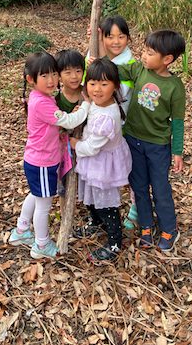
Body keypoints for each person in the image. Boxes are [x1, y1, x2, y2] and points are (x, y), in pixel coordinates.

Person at [9, 51, 90, 259]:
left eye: (54, 74)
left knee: (36, 195)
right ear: (31, 79)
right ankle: (41, 244)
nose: (51, 80)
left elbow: (60, 123)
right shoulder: (42, 103)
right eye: (44, 76)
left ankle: (21, 230)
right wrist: (86, 106)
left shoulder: (41, 97)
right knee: (44, 205)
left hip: (36, 159)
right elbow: (69, 122)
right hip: (43, 162)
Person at [118, 29, 186, 251]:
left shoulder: (174, 87)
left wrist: (177, 152)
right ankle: (146, 225)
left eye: (149, 53)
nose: (143, 56)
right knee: (138, 186)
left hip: (157, 146)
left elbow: (177, 122)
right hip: (133, 140)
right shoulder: (139, 69)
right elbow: (115, 71)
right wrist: (95, 60)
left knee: (159, 188)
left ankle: (169, 228)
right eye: (144, 51)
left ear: (167, 59)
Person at [70, 59, 132, 262]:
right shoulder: (96, 103)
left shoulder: (108, 116)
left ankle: (115, 241)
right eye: (92, 83)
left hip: (103, 163)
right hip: (95, 160)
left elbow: (91, 147)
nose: (97, 89)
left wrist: (75, 144)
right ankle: (96, 222)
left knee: (106, 203)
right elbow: (88, 109)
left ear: (115, 86)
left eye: (104, 84)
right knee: (92, 194)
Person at [89, 15, 138, 229]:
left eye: (121, 36)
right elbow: (89, 83)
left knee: (132, 169)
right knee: (107, 168)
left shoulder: (130, 63)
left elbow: (121, 93)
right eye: (110, 37)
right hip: (101, 125)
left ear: (128, 38)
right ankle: (103, 208)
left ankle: (136, 208)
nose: (116, 42)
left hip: (125, 125)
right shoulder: (97, 56)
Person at [54, 50, 86, 207]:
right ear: (59, 76)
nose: (74, 76)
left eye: (78, 71)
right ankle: (64, 212)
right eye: (67, 72)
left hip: (86, 145)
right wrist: (70, 118)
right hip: (64, 150)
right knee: (64, 183)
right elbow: (54, 127)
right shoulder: (56, 100)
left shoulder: (88, 93)